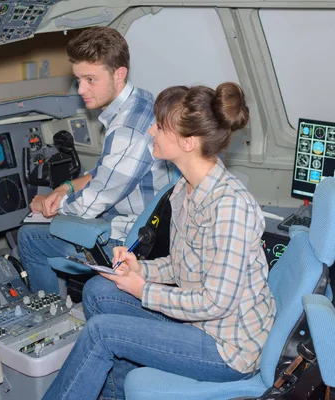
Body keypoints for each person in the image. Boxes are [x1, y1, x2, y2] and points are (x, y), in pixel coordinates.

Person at [43, 82, 276, 400]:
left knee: (101, 334)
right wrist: (141, 271)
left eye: (160, 126)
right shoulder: (185, 189)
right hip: (200, 325)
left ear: (188, 142)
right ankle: (118, 393)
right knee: (99, 290)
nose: (151, 130)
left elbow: (215, 302)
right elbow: (182, 264)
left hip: (226, 348)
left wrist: (143, 290)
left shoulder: (230, 205)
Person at [17, 27, 170, 294]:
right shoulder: (143, 101)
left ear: (119, 73)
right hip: (149, 224)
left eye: (90, 79)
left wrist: (47, 205)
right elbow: (104, 172)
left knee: (29, 237)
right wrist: (66, 187)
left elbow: (90, 205)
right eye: (78, 80)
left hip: (133, 239)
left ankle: (48, 317)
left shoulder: (128, 130)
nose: (81, 89)